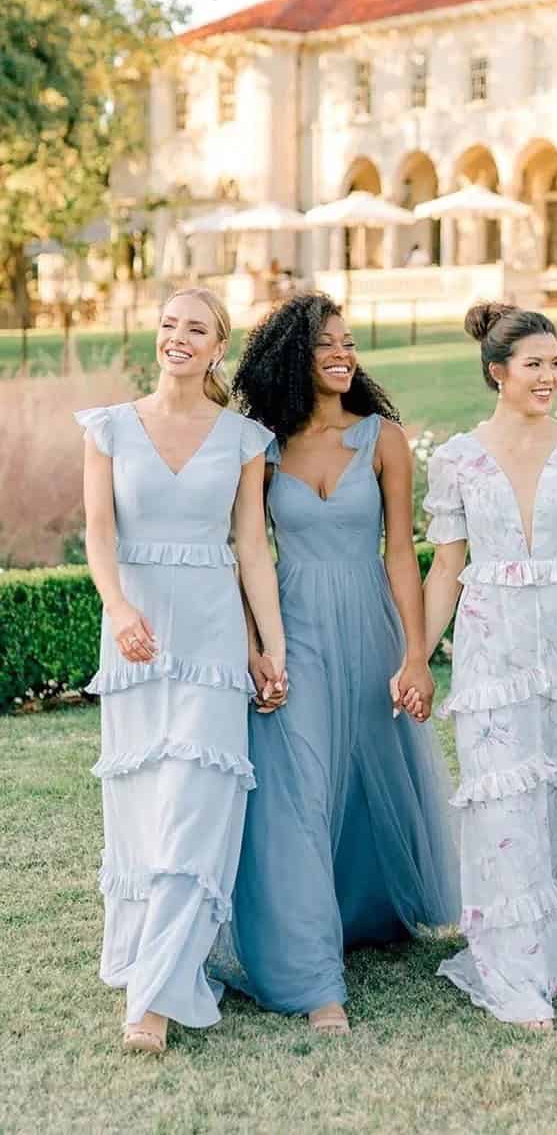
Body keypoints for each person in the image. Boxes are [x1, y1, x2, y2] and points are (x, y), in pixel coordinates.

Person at [221, 293, 459, 1035]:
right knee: (296, 786)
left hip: (370, 624)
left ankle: (361, 911)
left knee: (364, 769)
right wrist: (257, 646)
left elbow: (400, 555)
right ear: (294, 354)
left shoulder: (383, 438)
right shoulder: (259, 446)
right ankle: (312, 976)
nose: (343, 352)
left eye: (349, 342)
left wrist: (416, 655)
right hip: (294, 627)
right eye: (327, 342)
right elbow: (246, 554)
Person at [77, 287, 285, 1055]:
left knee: (195, 804)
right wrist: (120, 609)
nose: (178, 337)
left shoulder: (243, 440)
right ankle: (149, 963)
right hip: (134, 643)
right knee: (145, 808)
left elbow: (252, 550)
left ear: (216, 346)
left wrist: (273, 646)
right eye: (169, 324)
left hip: (211, 639)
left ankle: (153, 1003)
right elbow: (99, 536)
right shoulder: (107, 430)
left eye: (195, 328)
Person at [421, 302, 557, 1031]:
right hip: (488, 647)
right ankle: (512, 965)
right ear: (497, 371)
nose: (548, 376)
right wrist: (417, 654)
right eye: (533, 364)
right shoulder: (458, 458)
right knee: (502, 798)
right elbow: (446, 569)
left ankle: (542, 938)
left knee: (554, 795)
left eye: (556, 364)